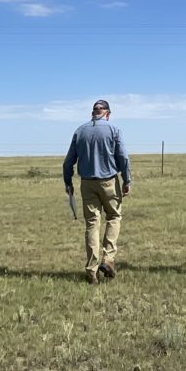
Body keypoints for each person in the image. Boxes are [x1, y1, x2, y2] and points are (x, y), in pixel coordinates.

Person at [62, 98, 131, 284]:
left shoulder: (80, 131)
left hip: (87, 183)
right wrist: (127, 179)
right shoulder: (114, 130)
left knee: (92, 224)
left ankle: (91, 269)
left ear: (93, 113)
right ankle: (108, 259)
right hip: (109, 181)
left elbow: (68, 161)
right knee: (114, 217)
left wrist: (68, 181)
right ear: (107, 113)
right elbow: (123, 157)